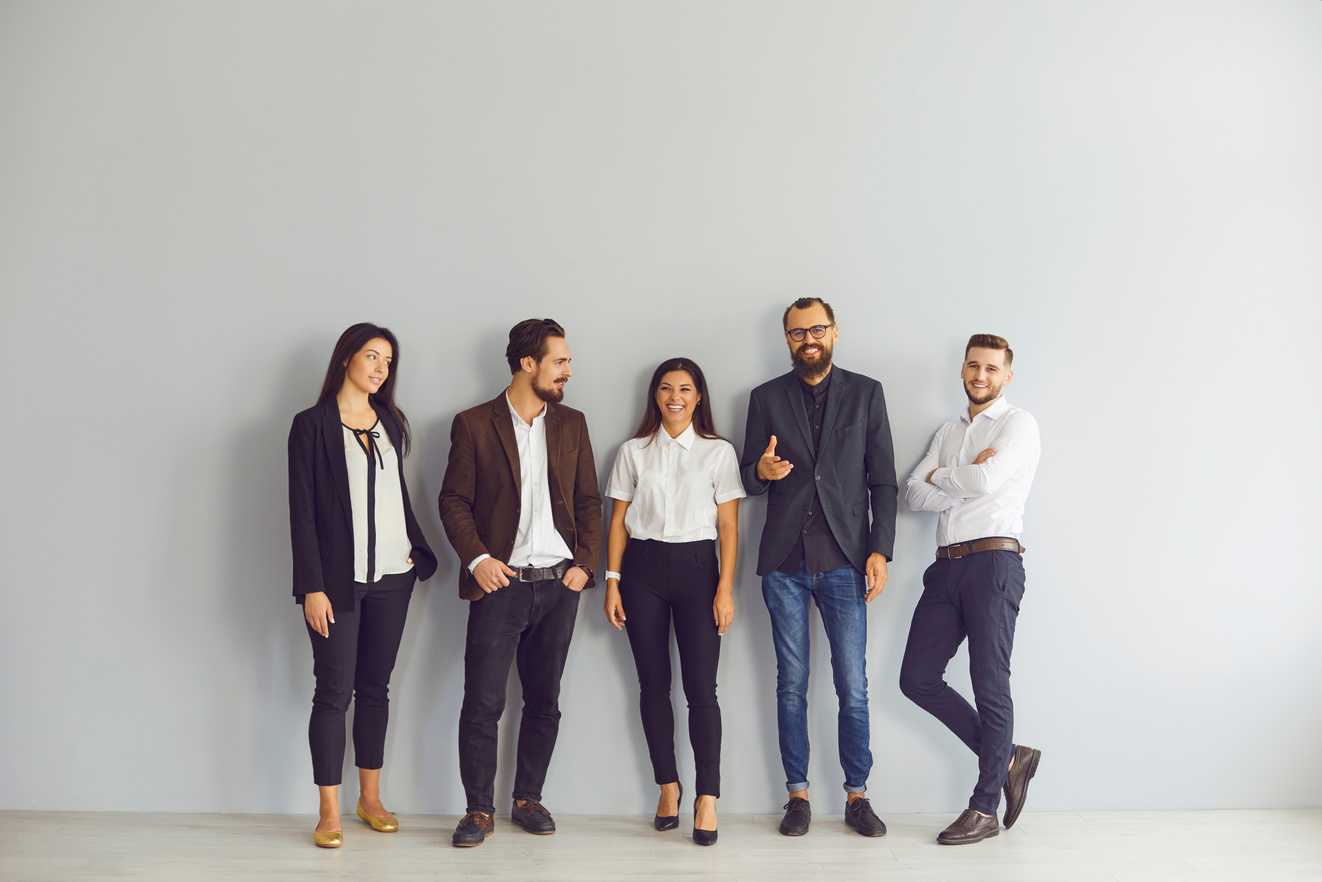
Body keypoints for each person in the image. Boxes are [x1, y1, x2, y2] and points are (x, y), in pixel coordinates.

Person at [438, 318, 603, 848]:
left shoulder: (572, 423)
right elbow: (453, 501)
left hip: (560, 585)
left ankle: (527, 798)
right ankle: (478, 810)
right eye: (560, 362)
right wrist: (478, 559)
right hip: (499, 585)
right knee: (482, 703)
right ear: (527, 364)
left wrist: (585, 564)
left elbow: (588, 503)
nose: (568, 371)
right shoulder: (473, 424)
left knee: (544, 701)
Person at [739, 297, 897, 838]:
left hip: (847, 560)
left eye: (817, 329)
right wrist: (760, 470)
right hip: (784, 560)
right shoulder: (765, 398)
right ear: (787, 339)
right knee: (792, 683)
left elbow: (883, 480)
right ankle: (798, 796)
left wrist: (880, 549)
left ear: (834, 332)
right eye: (797, 331)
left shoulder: (867, 392)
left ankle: (857, 796)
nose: (809, 338)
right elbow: (748, 477)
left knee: (853, 685)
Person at [287, 323, 438, 848]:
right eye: (371, 357)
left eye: (388, 361)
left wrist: (417, 554)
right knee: (333, 692)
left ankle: (369, 797)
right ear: (346, 358)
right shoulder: (312, 425)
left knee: (376, 689)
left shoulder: (390, 423)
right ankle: (328, 809)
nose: (380, 368)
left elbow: (396, 495)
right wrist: (312, 586)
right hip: (337, 583)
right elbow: (302, 513)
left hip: (394, 577)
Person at [900, 333, 1042, 845]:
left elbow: (988, 483)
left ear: (1006, 375)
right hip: (945, 569)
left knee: (989, 679)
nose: (980, 375)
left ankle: (983, 809)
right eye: (972, 366)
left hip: (995, 564)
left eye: (990, 368)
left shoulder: (1017, 423)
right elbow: (914, 494)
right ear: (962, 370)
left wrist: (944, 478)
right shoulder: (947, 430)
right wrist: (958, 473)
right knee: (916, 678)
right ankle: (1010, 757)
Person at [603, 358, 745, 846]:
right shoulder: (633, 451)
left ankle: (707, 797)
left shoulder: (718, 452)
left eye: (685, 388)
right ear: (655, 395)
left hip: (698, 571)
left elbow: (728, 527)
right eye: (666, 388)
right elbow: (618, 521)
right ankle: (668, 787)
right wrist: (613, 581)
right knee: (652, 686)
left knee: (702, 689)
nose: (675, 396)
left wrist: (725, 588)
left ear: (699, 395)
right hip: (641, 571)